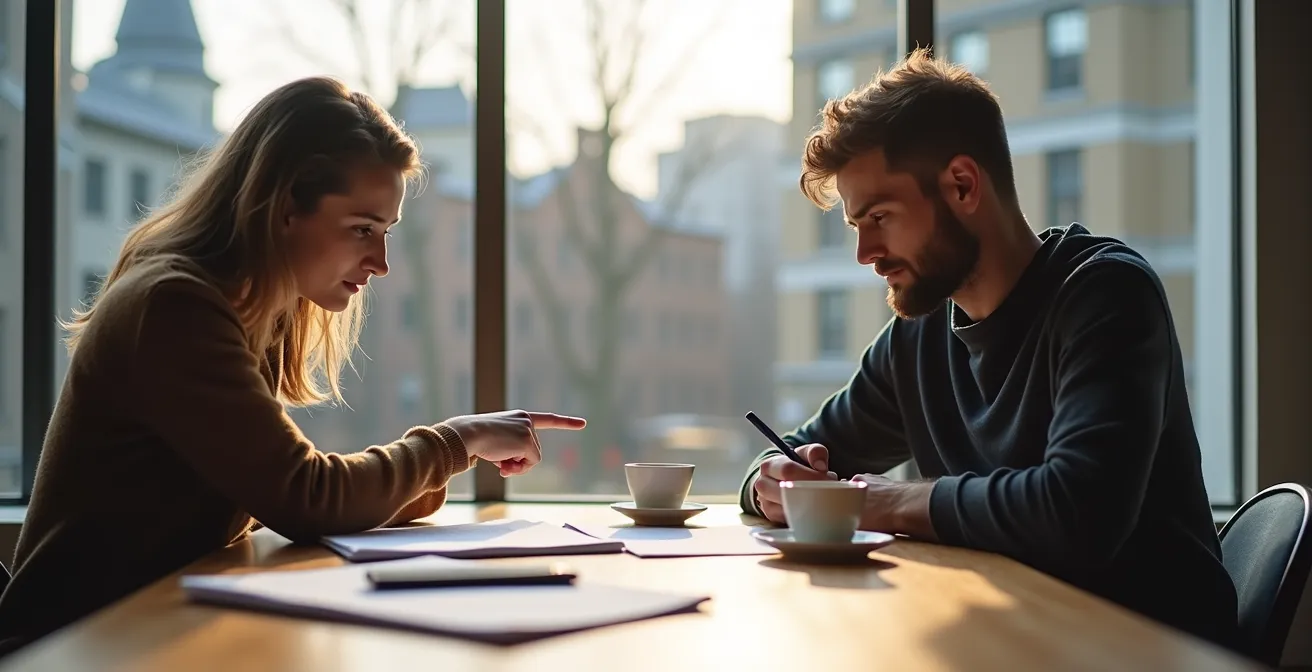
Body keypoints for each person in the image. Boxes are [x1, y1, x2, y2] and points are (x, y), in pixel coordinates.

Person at [0, 76, 586, 654]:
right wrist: (456, 441)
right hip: (71, 649)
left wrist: (437, 464)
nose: (381, 261)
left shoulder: (240, 309)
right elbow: (307, 497)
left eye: (385, 232)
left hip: (144, 631)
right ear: (285, 207)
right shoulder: (174, 305)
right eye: (362, 229)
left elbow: (283, 495)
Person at [739, 50, 1238, 648]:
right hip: (1014, 634)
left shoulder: (1106, 295)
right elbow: (792, 452)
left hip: (1149, 648)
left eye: (881, 217)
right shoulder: (917, 337)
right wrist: (772, 482)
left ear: (962, 185)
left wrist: (886, 503)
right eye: (856, 226)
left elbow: (1078, 515)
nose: (865, 253)